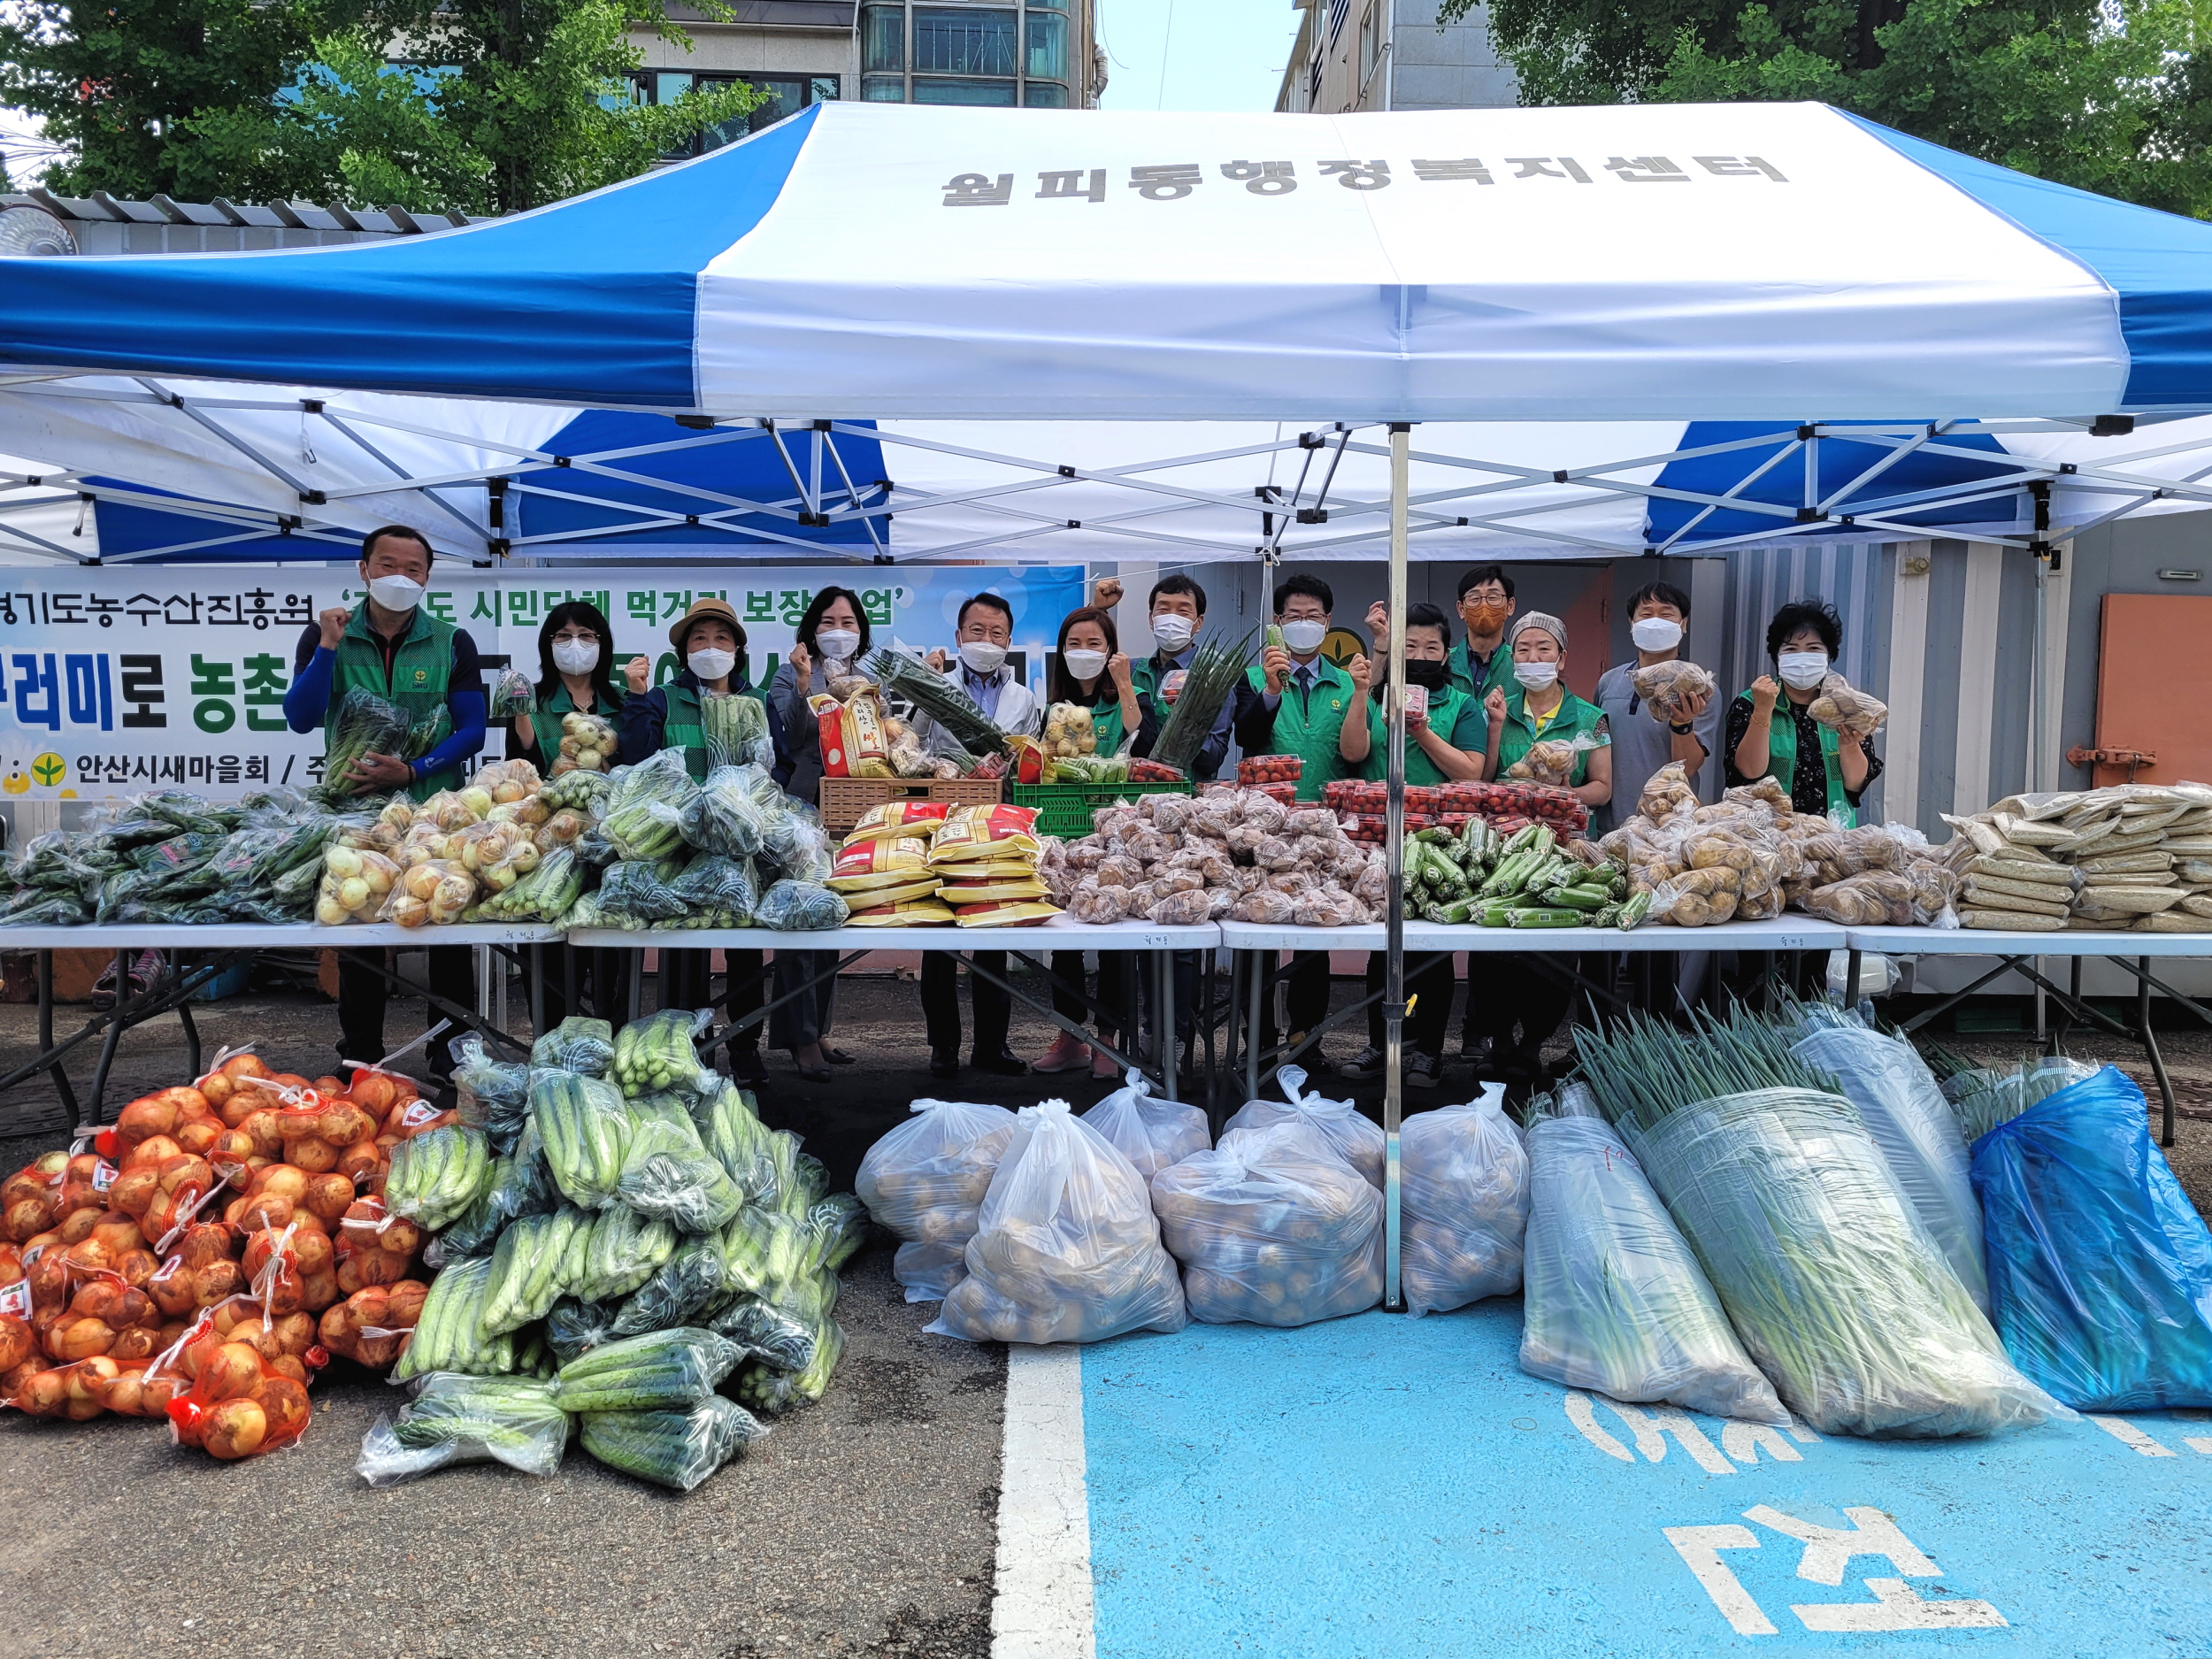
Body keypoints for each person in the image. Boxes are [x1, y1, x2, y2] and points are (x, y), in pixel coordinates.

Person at [284, 524, 486, 1079]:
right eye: (388, 564)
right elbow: (300, 717)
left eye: (413, 568)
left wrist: (414, 769)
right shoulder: (328, 635)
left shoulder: (451, 641)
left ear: (427, 577)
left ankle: (450, 1056)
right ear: (364, 570)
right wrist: (327, 646)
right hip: (354, 815)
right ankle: (361, 1057)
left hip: (431, 815)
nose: (400, 576)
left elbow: (472, 729)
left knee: (445, 927)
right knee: (359, 934)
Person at [618, 597, 770, 1086]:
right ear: (683, 653)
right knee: (685, 949)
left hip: (741, 843)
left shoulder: (756, 702)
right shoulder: (664, 698)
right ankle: (685, 1048)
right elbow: (638, 757)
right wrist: (638, 695)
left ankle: (745, 1046)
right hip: (677, 846)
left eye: (721, 638)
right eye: (699, 639)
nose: (710, 647)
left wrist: (751, 798)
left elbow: (780, 765)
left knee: (744, 945)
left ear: (738, 649)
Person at [1335, 602, 1485, 1088]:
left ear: (1447, 654)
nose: (1420, 654)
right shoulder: (1379, 694)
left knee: (1430, 948)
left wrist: (1421, 729)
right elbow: (1353, 753)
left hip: (1439, 843)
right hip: (1375, 841)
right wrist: (1363, 694)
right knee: (1384, 948)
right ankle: (1381, 1044)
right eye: (1410, 646)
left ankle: (1427, 1051)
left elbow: (1472, 771)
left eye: (1431, 647)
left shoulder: (1462, 705)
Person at [1467, 612, 1613, 1093]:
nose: (1533, 658)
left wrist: (1562, 790)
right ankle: (1498, 1040)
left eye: (1543, 649)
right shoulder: (1495, 707)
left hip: (1562, 847)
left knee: (1551, 946)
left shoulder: (1591, 719)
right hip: (1502, 844)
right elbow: (1483, 780)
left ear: (1562, 657)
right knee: (1495, 947)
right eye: (1523, 649)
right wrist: (1493, 730)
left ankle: (1533, 1043)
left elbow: (1603, 789)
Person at [1231, 574, 1357, 1075]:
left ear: (1327, 623)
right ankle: (1256, 1038)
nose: (1304, 624)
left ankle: (1308, 1036)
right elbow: (1244, 735)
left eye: (1314, 616)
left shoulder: (1348, 682)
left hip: (1325, 830)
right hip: (1263, 829)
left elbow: (1357, 752)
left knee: (1312, 934)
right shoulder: (1252, 675)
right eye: (1294, 616)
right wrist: (1271, 691)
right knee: (1258, 934)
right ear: (1278, 623)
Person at [918, 592, 1041, 1081]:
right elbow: (915, 742)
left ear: (1009, 642)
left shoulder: (1025, 698)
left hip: (998, 829)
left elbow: (1031, 760)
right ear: (958, 637)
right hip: (943, 826)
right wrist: (924, 685)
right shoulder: (937, 685)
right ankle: (943, 1045)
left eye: (996, 634)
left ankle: (993, 1044)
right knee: (941, 937)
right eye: (976, 631)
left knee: (995, 937)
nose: (985, 641)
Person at [1127, 573, 1243, 1079]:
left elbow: (1213, 753)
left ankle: (1177, 1038)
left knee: (1184, 927)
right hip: (1135, 820)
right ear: (1150, 615)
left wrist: (1179, 719)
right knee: (1144, 928)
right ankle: (1149, 1027)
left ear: (1198, 621)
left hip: (1193, 820)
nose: (1170, 616)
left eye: (1182, 608)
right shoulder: (1132, 671)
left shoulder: (1215, 675)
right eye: (1161, 607)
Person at [507, 601, 628, 1033]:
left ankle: (610, 1037)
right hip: (550, 841)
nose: (575, 644)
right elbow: (519, 769)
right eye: (563, 636)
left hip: (611, 842)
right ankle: (552, 1040)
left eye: (587, 636)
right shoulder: (534, 702)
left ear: (602, 644)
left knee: (610, 950)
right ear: (548, 644)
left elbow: (634, 768)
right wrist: (521, 716)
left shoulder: (621, 702)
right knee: (551, 951)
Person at [766, 587, 870, 1083]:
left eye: (848, 622)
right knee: (799, 925)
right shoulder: (789, 675)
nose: (838, 631)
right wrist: (806, 684)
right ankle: (799, 1038)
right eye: (828, 622)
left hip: (855, 811)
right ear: (811, 630)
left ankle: (819, 1028)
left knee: (833, 919)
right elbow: (785, 736)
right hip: (803, 805)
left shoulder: (869, 679)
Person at [1036, 605, 1141, 1078]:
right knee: (1066, 942)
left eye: (1094, 644)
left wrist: (1122, 684)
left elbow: (1145, 736)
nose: (1084, 652)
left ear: (1110, 649)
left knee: (1116, 941)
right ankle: (1070, 1036)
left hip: (1116, 838)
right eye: (1074, 644)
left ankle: (1108, 1039)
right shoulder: (1053, 709)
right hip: (1066, 835)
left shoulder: (1123, 697)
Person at [1726, 599, 1881, 825]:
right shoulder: (1750, 702)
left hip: (1830, 840)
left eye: (1813, 649)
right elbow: (1749, 771)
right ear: (1777, 657)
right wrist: (1762, 710)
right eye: (1790, 649)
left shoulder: (1846, 706)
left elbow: (1856, 784)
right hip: (1768, 836)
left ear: (1829, 656)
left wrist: (1849, 745)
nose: (1802, 658)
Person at [1593, 580, 1720, 834]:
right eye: (1646, 614)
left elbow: (1689, 767)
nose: (1655, 621)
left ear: (1683, 624)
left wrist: (1682, 724)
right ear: (1632, 623)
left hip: (1666, 826)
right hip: (1609, 825)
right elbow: (1596, 748)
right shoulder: (1609, 681)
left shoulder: (1699, 687)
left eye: (1666, 614)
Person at [1445, 565, 1520, 704]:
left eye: (1493, 597)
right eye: (1474, 598)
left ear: (1510, 606)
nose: (1484, 605)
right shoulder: (1443, 663)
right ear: (1461, 609)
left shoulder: (1519, 666)